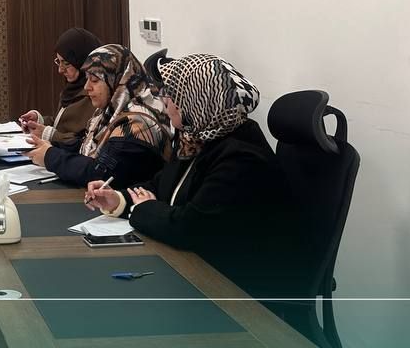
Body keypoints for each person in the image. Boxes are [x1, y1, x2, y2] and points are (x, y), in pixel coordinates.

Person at [86, 52, 307, 301]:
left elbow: (189, 228)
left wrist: (143, 209)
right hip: (198, 268)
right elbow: (162, 185)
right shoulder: (197, 137)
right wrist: (118, 199)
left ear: (195, 100)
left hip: (240, 292)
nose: (164, 102)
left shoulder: (242, 158)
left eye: (171, 95)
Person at [26, 44, 171, 187]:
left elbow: (102, 173)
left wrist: (50, 156)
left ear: (117, 80)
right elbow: (86, 144)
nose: (86, 87)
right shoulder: (110, 111)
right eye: (87, 79)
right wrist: (48, 145)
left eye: (94, 80)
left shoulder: (138, 123)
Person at [18, 27, 102, 150]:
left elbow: (85, 142)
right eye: (59, 61)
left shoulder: (95, 94)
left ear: (82, 61)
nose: (60, 70)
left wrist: (50, 135)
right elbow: (62, 124)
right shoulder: (72, 89)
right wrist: (38, 121)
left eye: (66, 63)